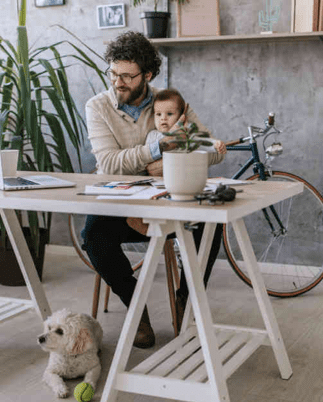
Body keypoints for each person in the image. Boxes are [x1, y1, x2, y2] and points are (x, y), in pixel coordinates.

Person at [82, 31, 225, 349]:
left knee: (211, 227)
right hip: (121, 204)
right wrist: (159, 149)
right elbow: (108, 163)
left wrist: (179, 156)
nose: (118, 82)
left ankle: (186, 300)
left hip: (167, 204)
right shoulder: (98, 107)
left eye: (128, 76)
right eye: (113, 73)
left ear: (147, 75)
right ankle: (136, 307)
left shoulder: (170, 103)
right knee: (93, 237)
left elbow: (212, 151)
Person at [146, 88, 227, 158]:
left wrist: (216, 145)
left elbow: (200, 142)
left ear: (181, 117)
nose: (163, 118)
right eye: (158, 114)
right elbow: (147, 156)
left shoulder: (185, 135)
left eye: (169, 114)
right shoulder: (152, 136)